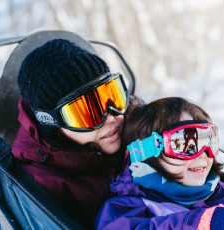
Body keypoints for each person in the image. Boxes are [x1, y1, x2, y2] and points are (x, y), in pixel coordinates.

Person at [95, 97, 224, 230]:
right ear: (147, 153)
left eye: (207, 140)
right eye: (183, 143)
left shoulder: (222, 189)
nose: (201, 154)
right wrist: (207, 223)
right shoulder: (127, 208)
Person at [11, 39, 140, 228]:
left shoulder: (136, 127)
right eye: (87, 113)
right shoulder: (43, 190)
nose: (110, 117)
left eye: (111, 96)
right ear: (53, 123)